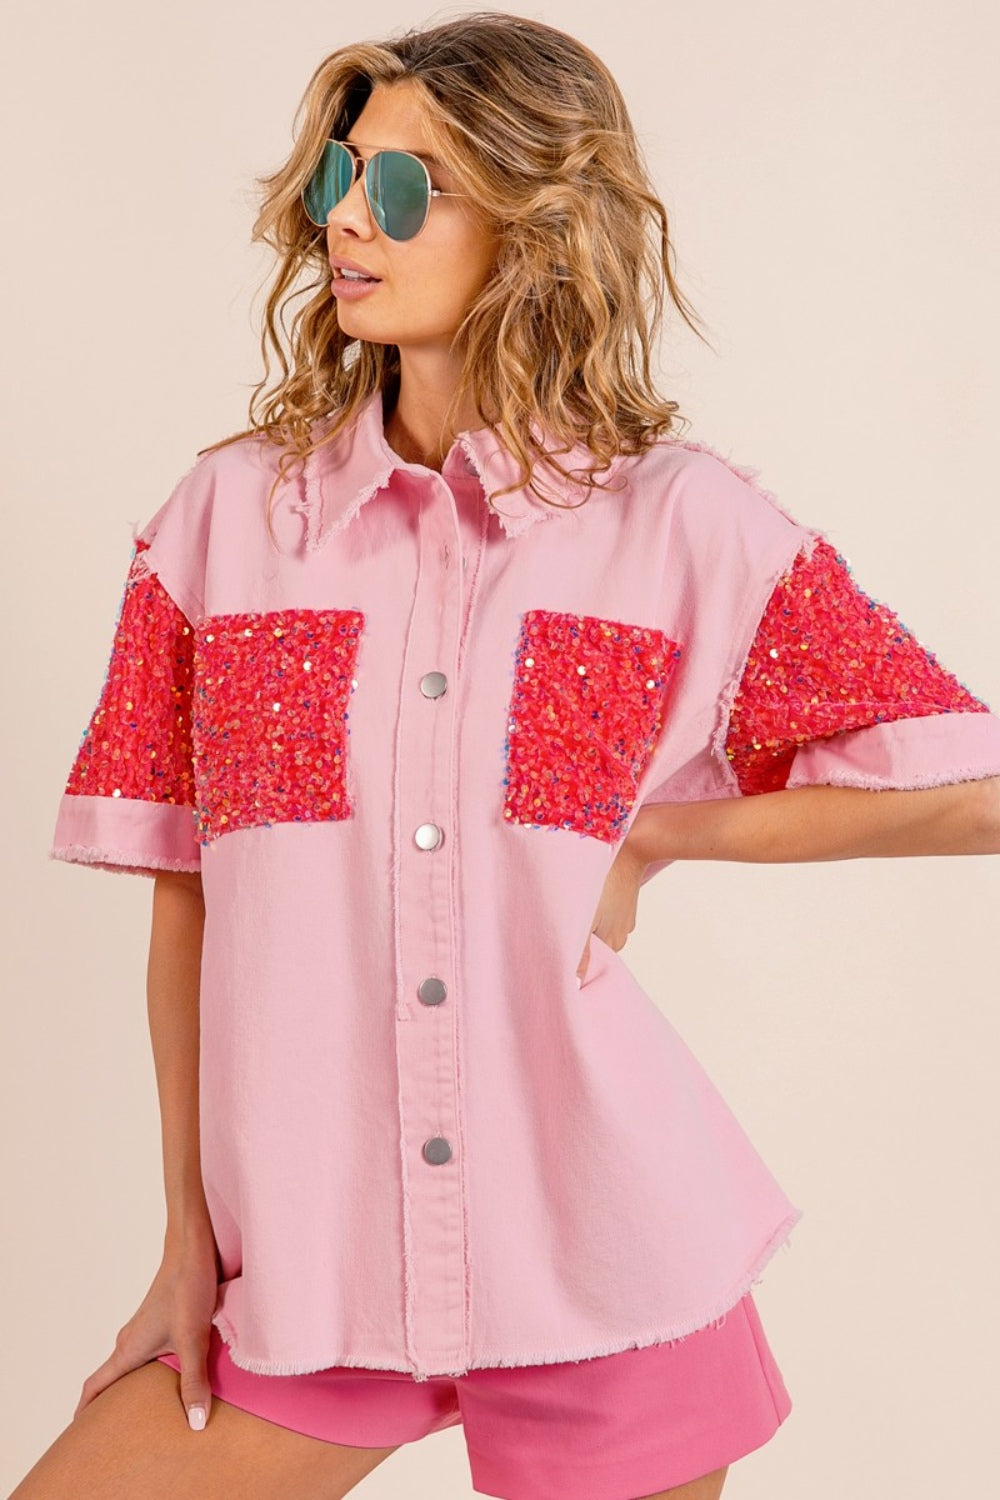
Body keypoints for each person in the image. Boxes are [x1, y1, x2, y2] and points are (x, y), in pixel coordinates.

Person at [15, 11, 1000, 1500]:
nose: (349, 216)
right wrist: (184, 1246)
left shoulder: (682, 526)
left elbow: (976, 790)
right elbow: (188, 895)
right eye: (342, 175)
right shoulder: (227, 527)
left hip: (606, 1268)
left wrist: (665, 836)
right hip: (308, 1268)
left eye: (407, 188)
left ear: (538, 226)